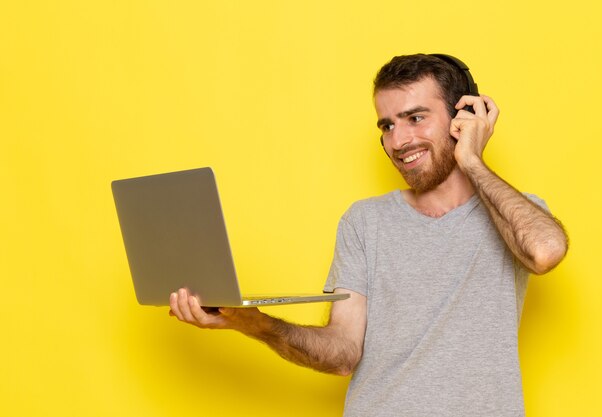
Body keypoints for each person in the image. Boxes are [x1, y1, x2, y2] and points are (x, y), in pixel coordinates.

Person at [169, 53, 568, 416]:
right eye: (388, 125)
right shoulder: (364, 222)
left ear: (463, 118)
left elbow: (546, 251)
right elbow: (342, 352)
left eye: (416, 118)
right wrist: (252, 323)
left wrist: (473, 160)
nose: (399, 141)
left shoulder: (511, 211)